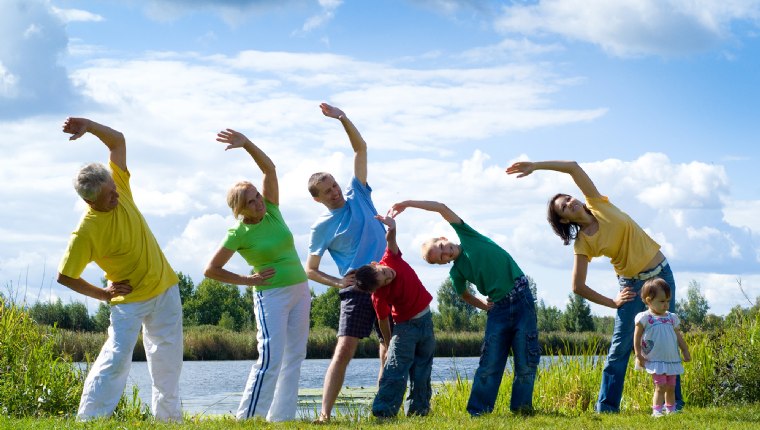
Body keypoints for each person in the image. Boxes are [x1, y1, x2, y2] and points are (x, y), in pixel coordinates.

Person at [506, 160, 683, 412]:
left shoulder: (597, 203)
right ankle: (607, 408)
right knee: (620, 349)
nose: (570, 202)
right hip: (632, 286)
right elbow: (578, 286)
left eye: (568, 198)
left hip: (661, 273)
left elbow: (573, 167)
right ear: (565, 220)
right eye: (564, 207)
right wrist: (612, 302)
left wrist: (535, 166)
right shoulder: (582, 244)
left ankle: (673, 405)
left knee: (667, 340)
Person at [56, 118, 183, 421]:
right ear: (90, 201)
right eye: (109, 196)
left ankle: (169, 422)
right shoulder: (85, 232)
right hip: (129, 301)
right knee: (116, 360)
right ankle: (90, 420)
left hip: (165, 287)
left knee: (167, 363)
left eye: (114, 189)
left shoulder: (119, 185)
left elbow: (118, 141)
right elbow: (65, 276)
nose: (116, 196)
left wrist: (88, 125)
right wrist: (102, 293)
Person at [389, 200, 539, 416]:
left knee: (526, 359)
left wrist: (408, 204)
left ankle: (522, 409)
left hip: (522, 298)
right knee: (489, 363)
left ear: (443, 238)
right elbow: (464, 295)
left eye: (441, 247)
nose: (445, 253)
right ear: (442, 264)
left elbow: (441, 208)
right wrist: (484, 306)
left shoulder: (467, 236)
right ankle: (478, 411)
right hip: (499, 311)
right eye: (441, 257)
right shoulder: (456, 274)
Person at [204, 129, 311, 422]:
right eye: (251, 201)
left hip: (300, 290)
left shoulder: (273, 210)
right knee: (271, 358)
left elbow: (269, 168)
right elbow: (211, 270)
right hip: (271, 295)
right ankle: (248, 420)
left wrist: (247, 144)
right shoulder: (238, 232)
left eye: (258, 196)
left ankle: (281, 418)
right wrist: (248, 280)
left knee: (294, 357)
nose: (259, 202)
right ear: (240, 208)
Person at [306, 103, 387, 422]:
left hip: (387, 279)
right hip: (356, 289)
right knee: (344, 349)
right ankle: (325, 414)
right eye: (327, 192)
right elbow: (309, 269)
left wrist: (342, 118)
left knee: (389, 346)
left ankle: (383, 408)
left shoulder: (359, 195)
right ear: (318, 199)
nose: (335, 193)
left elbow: (360, 148)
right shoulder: (322, 227)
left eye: (335, 186)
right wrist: (338, 281)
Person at [353, 215, 435, 418]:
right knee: (396, 370)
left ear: (376, 263)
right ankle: (383, 413)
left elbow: (391, 239)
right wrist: (389, 345)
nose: (389, 276)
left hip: (426, 321)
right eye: (384, 281)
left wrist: (392, 226)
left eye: (384, 272)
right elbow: (382, 320)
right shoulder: (379, 295)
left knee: (423, 370)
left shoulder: (391, 257)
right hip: (405, 328)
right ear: (377, 289)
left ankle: (418, 412)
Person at [633, 277, 690, 417]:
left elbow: (678, 336)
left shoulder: (671, 318)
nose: (666, 305)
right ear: (649, 300)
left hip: (671, 358)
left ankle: (671, 409)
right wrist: (638, 354)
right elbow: (637, 337)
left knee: (671, 386)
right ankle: (657, 411)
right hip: (656, 359)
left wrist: (685, 350)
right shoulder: (645, 318)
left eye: (668, 301)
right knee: (660, 386)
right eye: (662, 301)